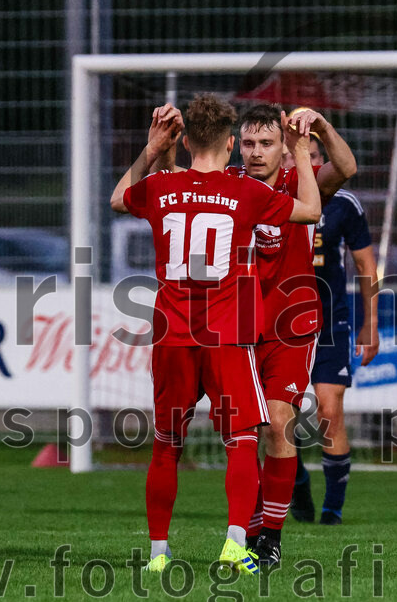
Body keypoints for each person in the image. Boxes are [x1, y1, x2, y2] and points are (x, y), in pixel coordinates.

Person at [110, 95, 322, 576]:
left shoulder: (162, 187)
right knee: (242, 441)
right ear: (230, 145)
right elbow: (310, 210)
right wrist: (302, 149)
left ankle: (159, 555)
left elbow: (120, 198)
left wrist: (150, 149)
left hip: (171, 337)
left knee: (166, 444)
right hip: (227, 335)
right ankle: (234, 544)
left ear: (184, 141)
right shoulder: (242, 192)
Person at [231, 104, 357, 566]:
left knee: (279, 421)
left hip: (291, 324)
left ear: (283, 148)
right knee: (245, 431)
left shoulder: (299, 183)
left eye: (266, 143)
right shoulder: (229, 187)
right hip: (240, 324)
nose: (257, 152)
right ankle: (253, 525)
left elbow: (346, 167)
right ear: (236, 146)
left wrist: (320, 126)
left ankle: (270, 540)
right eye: (249, 143)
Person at [289, 134, 379, 525]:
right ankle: (295, 483)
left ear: (323, 162)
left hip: (330, 323)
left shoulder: (344, 204)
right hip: (283, 324)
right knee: (279, 419)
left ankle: (332, 510)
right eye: (297, 157)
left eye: (311, 157)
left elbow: (366, 268)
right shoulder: (272, 197)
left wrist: (370, 324)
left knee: (330, 411)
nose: (304, 165)